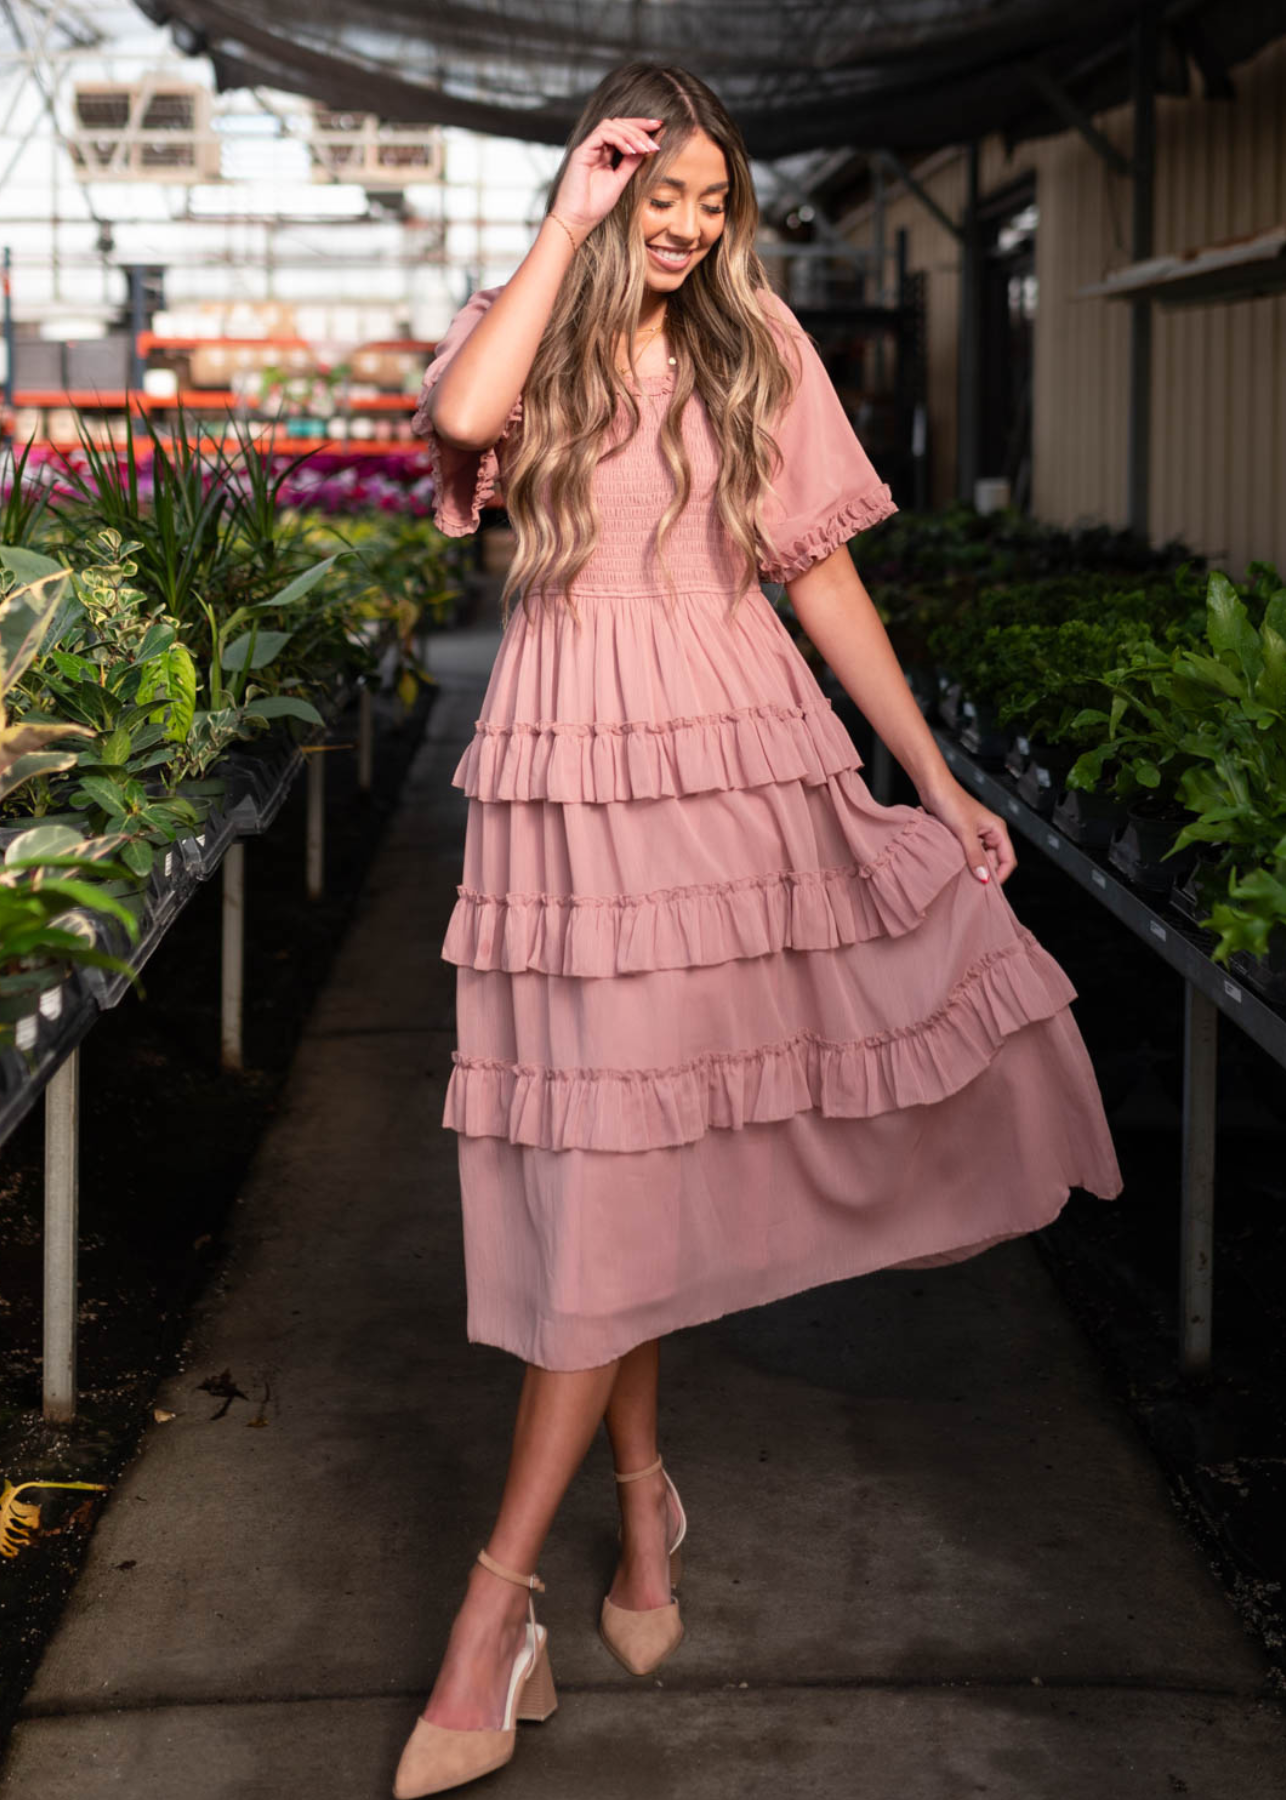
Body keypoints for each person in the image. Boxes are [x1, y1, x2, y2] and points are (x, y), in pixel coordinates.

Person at [393, 58, 1123, 1799]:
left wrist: (933, 780)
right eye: (663, 202)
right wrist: (568, 220)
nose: (691, 231)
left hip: (730, 781)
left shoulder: (755, 345)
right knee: (607, 1163)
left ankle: (493, 1614)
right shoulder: (538, 324)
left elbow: (819, 575)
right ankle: (641, 1504)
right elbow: (455, 424)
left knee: (625, 1165)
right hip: (567, 790)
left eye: (713, 207)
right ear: (604, 182)